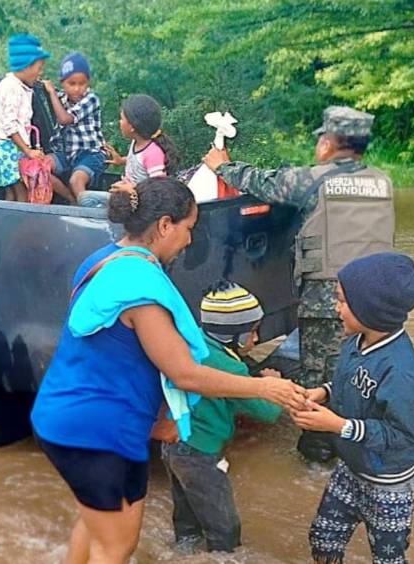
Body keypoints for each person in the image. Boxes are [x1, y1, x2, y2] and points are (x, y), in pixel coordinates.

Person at [30, 178, 306, 564]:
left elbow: (119, 355)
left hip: (69, 414)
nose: (190, 240)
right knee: (116, 546)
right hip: (102, 429)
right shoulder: (142, 289)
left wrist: (161, 417)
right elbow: (186, 374)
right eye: (188, 228)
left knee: (94, 525)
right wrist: (264, 389)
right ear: (164, 225)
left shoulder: (103, 260)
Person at [203, 106, 395, 390]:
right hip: (376, 298)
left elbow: (266, 183)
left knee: (320, 379)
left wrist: (222, 166)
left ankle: (320, 432)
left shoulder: (314, 180)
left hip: (329, 299)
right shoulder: (383, 182)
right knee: (362, 369)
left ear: (327, 143)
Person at [290, 252, 414, 564]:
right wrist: (321, 393)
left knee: (388, 558)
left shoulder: (402, 371)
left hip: (389, 483)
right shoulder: (354, 342)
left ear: (371, 309)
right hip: (353, 465)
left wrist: (337, 426)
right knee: (323, 537)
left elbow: (402, 435)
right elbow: (345, 383)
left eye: (342, 302)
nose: (335, 309)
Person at [161, 280, 283, 554]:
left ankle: (182, 553)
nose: (255, 339)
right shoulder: (231, 369)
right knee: (224, 526)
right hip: (201, 455)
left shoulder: (193, 345)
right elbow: (268, 412)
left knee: (186, 516)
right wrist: (271, 383)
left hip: (172, 445)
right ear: (234, 337)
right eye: (252, 332)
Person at [0, 33, 50, 201]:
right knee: (22, 190)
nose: (40, 73)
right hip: (8, 147)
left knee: (12, 191)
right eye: (39, 68)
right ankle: (21, 225)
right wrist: (28, 150)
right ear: (25, 66)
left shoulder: (21, 86)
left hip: (8, 147)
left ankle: (7, 224)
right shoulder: (11, 88)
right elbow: (10, 125)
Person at [43, 51, 106, 205]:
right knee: (40, 168)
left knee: (76, 181)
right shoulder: (62, 98)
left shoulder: (91, 99)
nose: (77, 89)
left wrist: (51, 92)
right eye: (72, 84)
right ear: (62, 83)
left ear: (88, 82)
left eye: (82, 83)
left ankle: (88, 217)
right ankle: (72, 200)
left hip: (90, 154)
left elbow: (64, 119)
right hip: (67, 155)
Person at [105, 94, 181, 183]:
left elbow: (159, 189)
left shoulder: (153, 154)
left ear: (132, 126)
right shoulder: (137, 142)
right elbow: (139, 163)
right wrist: (121, 161)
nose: (120, 122)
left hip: (139, 195)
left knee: (89, 197)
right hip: (127, 193)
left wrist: (131, 190)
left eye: (122, 119)